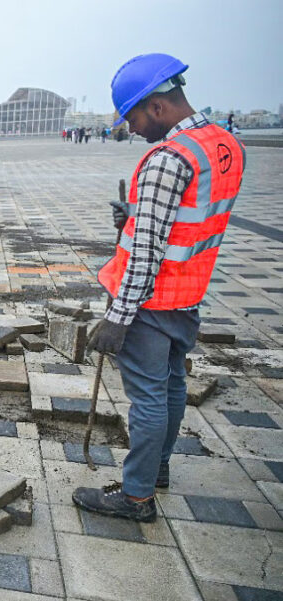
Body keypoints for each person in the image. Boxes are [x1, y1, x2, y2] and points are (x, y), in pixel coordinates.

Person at [74, 53, 245, 523]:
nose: (131, 130)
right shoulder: (222, 145)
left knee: (147, 397)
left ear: (156, 106)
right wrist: (134, 215)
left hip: (150, 301)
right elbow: (191, 220)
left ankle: (135, 497)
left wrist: (118, 318)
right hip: (188, 294)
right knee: (171, 387)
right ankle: (157, 470)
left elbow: (148, 252)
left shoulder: (167, 158)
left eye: (132, 118)